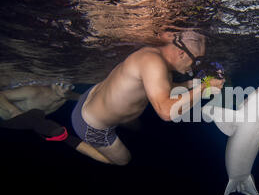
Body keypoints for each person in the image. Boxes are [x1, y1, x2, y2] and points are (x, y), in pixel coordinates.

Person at [71, 30, 225, 165]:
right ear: (181, 53)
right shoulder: (152, 62)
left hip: (92, 99)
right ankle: (64, 137)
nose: (193, 68)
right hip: (92, 126)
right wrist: (205, 88)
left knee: (137, 126)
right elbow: (166, 112)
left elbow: (166, 88)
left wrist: (196, 83)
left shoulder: (157, 58)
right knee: (123, 160)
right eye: (196, 61)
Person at [0, 83, 110, 164]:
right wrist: (13, 111)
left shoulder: (66, 95)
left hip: (28, 125)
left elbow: (81, 98)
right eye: (61, 84)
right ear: (52, 83)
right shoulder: (33, 91)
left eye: (69, 85)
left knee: (57, 133)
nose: (65, 88)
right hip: (5, 119)